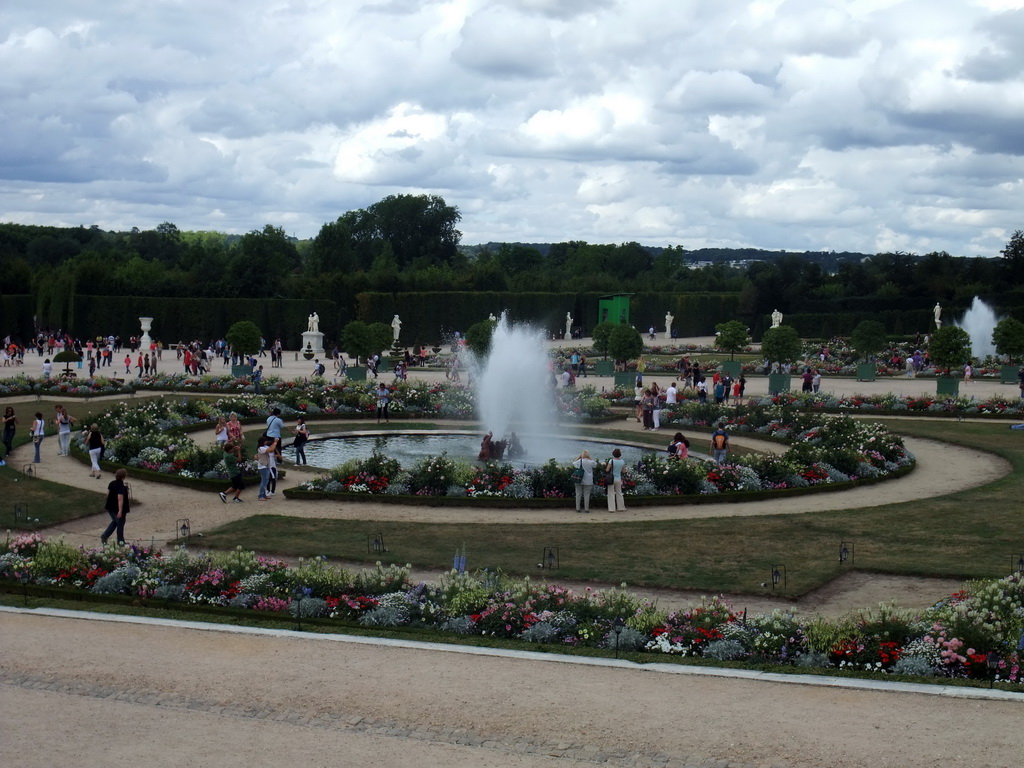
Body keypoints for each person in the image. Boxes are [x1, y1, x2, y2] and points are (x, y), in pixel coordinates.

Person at [101, 468, 130, 545]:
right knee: (120, 524)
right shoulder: (121, 487)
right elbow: (120, 499)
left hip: (110, 507)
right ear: (123, 477)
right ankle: (120, 541)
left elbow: (108, 494)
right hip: (117, 509)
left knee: (115, 521)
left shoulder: (112, 483)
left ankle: (105, 535)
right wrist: (120, 511)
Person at [256, 436, 277, 501]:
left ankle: (264, 495)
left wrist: (274, 443)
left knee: (266, 481)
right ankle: (261, 495)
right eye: (265, 441)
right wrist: (275, 442)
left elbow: (271, 448)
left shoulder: (264, 447)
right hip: (263, 466)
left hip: (266, 466)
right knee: (264, 481)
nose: (266, 442)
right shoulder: (261, 448)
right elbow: (270, 450)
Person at [606, 448, 626, 513]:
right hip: (618, 478)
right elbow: (623, 471)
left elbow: (607, 470)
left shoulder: (611, 461)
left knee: (611, 493)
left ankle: (612, 508)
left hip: (611, 478)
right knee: (619, 493)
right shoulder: (622, 461)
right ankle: (621, 507)